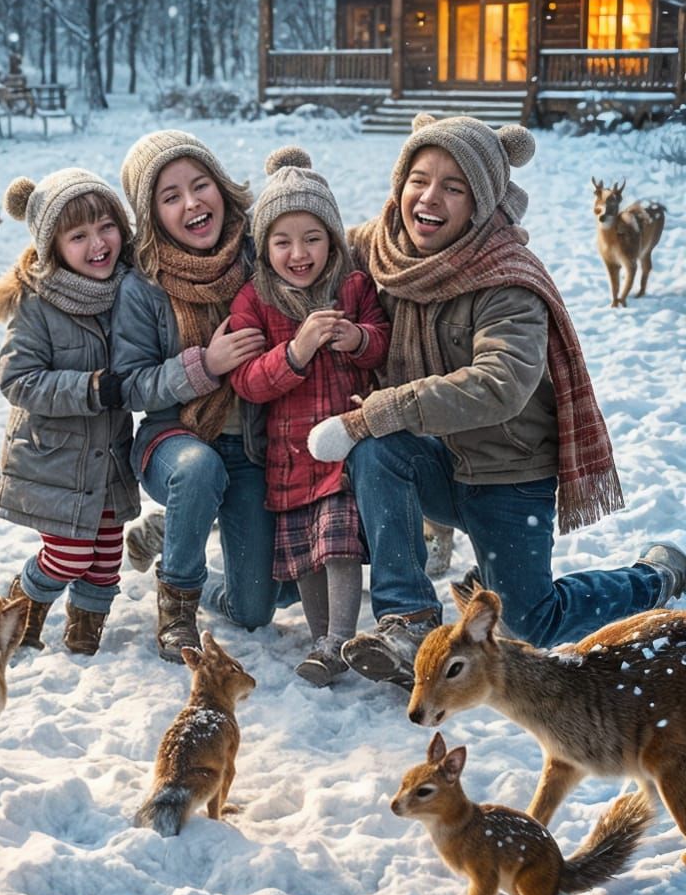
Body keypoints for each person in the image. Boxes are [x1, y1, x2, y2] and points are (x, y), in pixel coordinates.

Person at [308, 113, 686, 688]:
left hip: (508, 474)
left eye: (453, 186)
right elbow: (309, 244)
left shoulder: (507, 277)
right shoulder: (382, 249)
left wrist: (382, 409)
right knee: (375, 451)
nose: (429, 197)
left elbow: (501, 382)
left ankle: (654, 578)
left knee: (532, 622)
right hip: (436, 463)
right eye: (419, 178)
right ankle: (408, 621)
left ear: (481, 202)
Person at [113, 130, 278, 663]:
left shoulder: (260, 253)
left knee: (254, 609)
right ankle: (176, 608)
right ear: (152, 213)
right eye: (170, 196)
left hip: (254, 445)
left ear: (221, 187)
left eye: (199, 184)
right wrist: (204, 366)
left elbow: (328, 245)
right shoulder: (143, 285)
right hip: (172, 438)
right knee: (198, 469)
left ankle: (174, 545)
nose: (191, 203)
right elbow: (132, 383)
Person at [229, 147, 390, 686]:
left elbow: (383, 345)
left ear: (334, 239)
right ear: (264, 246)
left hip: (341, 442)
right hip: (289, 451)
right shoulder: (255, 300)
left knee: (339, 539)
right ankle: (323, 639)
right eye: (282, 241)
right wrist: (295, 352)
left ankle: (338, 639)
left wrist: (359, 338)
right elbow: (248, 380)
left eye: (312, 238)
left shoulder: (353, 287)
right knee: (306, 552)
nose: (298, 253)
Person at [0, 167, 140, 656]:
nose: (98, 243)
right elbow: (17, 379)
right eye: (78, 235)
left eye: (106, 226)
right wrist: (90, 388)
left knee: (106, 554)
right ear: (54, 246)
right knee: (70, 552)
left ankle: (83, 630)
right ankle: (23, 603)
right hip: (55, 457)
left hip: (109, 454)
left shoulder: (129, 291)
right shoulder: (39, 302)